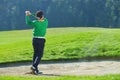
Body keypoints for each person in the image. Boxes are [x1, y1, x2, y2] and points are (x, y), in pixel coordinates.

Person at [25, 10, 48, 75]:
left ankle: (35, 70)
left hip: (34, 39)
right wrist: (32, 14)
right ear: (42, 16)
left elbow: (28, 23)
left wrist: (27, 15)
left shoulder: (35, 22)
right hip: (41, 40)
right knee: (40, 54)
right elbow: (44, 19)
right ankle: (34, 66)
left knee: (36, 54)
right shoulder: (46, 21)